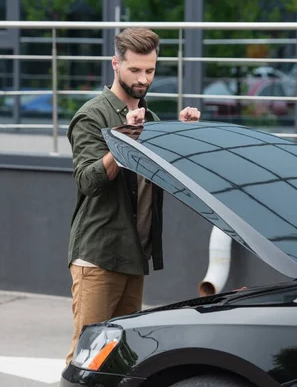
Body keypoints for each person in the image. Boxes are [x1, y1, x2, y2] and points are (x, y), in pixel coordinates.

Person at [65, 27, 201, 364]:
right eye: (135, 70)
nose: (143, 79)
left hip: (134, 257)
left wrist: (185, 137)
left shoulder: (150, 119)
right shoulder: (92, 115)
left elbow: (170, 181)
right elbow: (88, 181)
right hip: (99, 256)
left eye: (150, 70)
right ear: (115, 64)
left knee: (119, 359)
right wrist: (125, 139)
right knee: (86, 357)